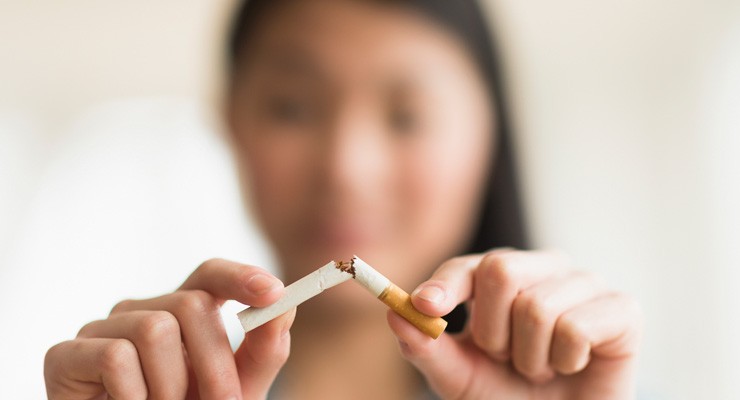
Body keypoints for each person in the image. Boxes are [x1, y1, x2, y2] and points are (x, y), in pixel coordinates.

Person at [43, 0, 642, 399]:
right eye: (293, 108)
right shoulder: (162, 388)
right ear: (229, 120)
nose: (345, 168)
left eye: (407, 117)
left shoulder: (564, 379)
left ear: (488, 132)